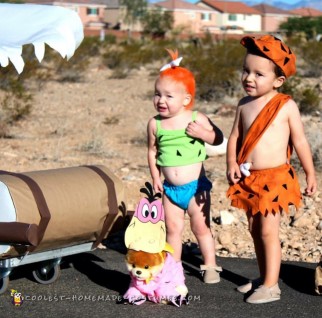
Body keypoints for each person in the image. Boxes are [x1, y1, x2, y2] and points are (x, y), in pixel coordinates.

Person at [226, 35, 317, 304]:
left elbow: (299, 141)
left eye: (258, 73)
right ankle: (264, 276)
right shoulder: (243, 105)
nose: (249, 78)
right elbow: (234, 137)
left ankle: (271, 286)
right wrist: (231, 162)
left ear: (278, 80)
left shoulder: (286, 105)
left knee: (269, 232)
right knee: (255, 230)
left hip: (275, 178)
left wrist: (310, 173)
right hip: (249, 177)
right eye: (246, 71)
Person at [147, 49, 224, 284]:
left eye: (168, 96)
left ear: (186, 99)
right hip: (170, 189)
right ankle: (173, 269)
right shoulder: (155, 124)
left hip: (196, 187)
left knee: (201, 228)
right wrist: (156, 178)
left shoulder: (195, 118)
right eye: (157, 94)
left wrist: (204, 133)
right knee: (172, 229)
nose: (161, 100)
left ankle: (210, 265)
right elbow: (152, 152)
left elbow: (219, 138)